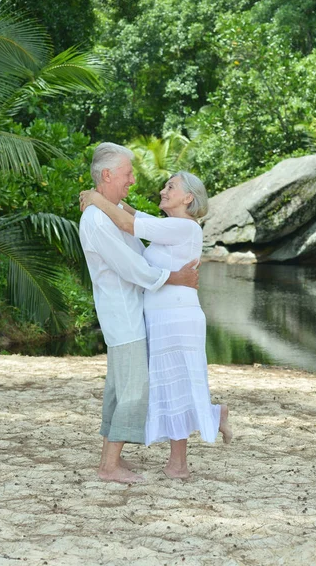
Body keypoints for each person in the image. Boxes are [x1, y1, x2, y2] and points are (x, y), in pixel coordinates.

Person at [80, 170, 232, 480]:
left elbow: (128, 224)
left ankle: (181, 461)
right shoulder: (169, 227)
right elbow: (133, 214)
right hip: (160, 317)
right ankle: (205, 427)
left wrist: (96, 198)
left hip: (178, 318)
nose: (163, 190)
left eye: (171, 187)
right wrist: (109, 200)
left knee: (174, 384)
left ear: (188, 197)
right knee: (168, 386)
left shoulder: (185, 228)